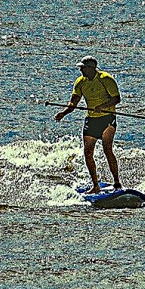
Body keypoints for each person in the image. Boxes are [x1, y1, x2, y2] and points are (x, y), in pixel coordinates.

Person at [54, 56, 123, 192]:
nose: (81, 70)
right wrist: (64, 113)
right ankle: (95, 186)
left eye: (83, 68)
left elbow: (116, 99)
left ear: (91, 68)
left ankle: (117, 183)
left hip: (107, 118)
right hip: (92, 119)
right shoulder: (80, 82)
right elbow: (73, 102)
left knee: (107, 149)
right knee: (88, 152)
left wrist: (103, 106)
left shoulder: (105, 79)